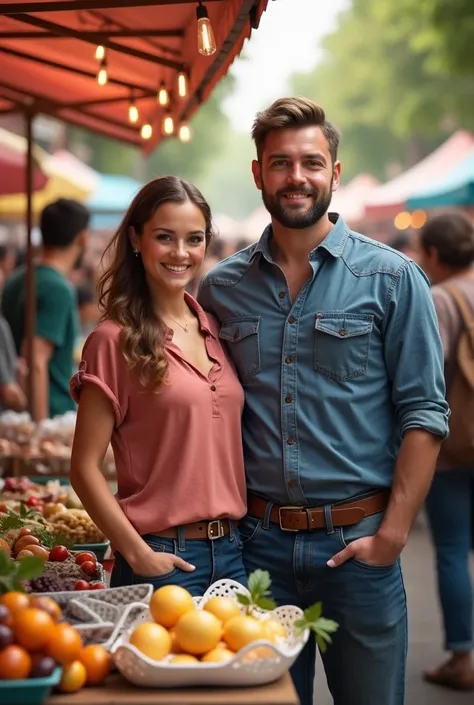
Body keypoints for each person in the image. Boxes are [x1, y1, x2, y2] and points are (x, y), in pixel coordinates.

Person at [198, 97, 449, 705]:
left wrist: (392, 535)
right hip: (255, 549)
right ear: (258, 173)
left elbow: (425, 413)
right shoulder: (220, 288)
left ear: (334, 172)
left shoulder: (392, 279)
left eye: (311, 162)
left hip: (358, 547)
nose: (296, 178)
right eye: (280, 163)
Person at [69, 176, 247, 595]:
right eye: (165, 237)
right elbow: (83, 468)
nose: (181, 253)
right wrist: (137, 554)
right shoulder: (113, 339)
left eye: (195, 239)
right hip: (161, 556)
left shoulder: (217, 329)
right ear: (136, 239)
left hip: (234, 554)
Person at [416, 212, 474, 690]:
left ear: (434, 254)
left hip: (456, 449)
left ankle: (462, 658)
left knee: (453, 550)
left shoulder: (441, 298)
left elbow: (426, 382)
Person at [1, 199, 89, 421]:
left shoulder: (19, 277)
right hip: (49, 413)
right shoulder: (58, 288)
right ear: (82, 238)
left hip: (15, 412)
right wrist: (40, 428)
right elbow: (36, 360)